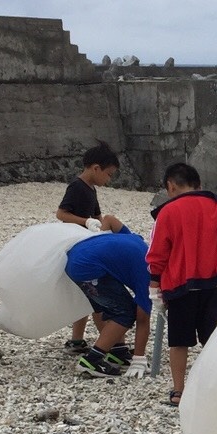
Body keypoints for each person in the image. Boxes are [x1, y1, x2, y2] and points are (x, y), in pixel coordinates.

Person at [146, 162, 217, 406]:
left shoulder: (167, 212)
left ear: (171, 186)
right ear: (198, 185)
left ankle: (179, 391)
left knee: (179, 340)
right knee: (212, 338)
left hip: (180, 286)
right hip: (213, 284)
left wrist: (154, 285)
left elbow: (157, 252)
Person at [56, 142, 125, 353]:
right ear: (96, 168)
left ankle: (77, 340)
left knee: (83, 296)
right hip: (78, 248)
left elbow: (98, 217)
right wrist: (84, 222)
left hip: (88, 246)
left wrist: (103, 232)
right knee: (95, 296)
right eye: (108, 174)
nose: (109, 179)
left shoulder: (91, 190)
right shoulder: (76, 187)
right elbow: (61, 214)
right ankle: (111, 344)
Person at [64, 230, 154, 379]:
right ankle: (91, 360)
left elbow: (110, 221)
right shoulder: (148, 276)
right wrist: (139, 358)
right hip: (87, 267)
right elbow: (142, 319)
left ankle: (118, 352)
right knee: (125, 313)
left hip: (77, 256)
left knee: (109, 305)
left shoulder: (142, 246)